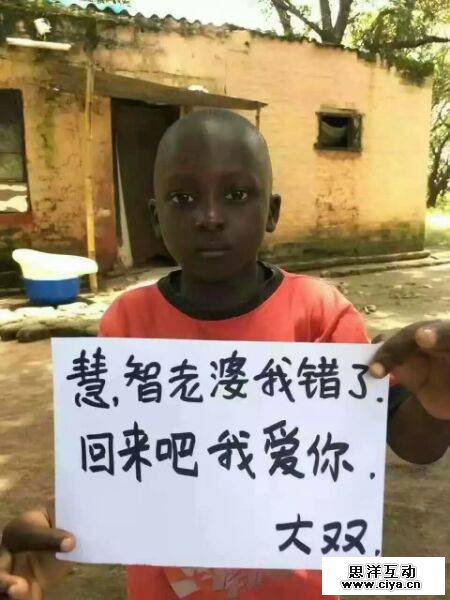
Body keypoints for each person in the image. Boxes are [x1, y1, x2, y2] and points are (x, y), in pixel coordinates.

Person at [0, 109, 448, 600]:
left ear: (271, 211)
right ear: (155, 218)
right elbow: (119, 460)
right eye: (183, 198)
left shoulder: (319, 314)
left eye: (236, 195)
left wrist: (438, 400)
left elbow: (414, 445)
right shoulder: (127, 323)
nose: (210, 217)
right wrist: (59, 527)